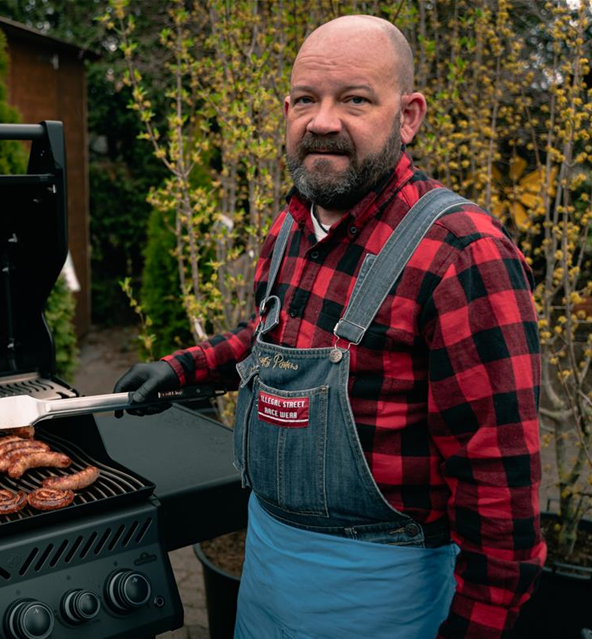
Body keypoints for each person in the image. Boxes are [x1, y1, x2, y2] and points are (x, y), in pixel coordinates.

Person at [114, 14, 545, 639]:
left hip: (384, 593)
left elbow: (499, 487)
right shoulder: (292, 228)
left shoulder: (462, 253)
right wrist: (185, 367)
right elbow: (275, 336)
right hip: (267, 568)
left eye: (355, 100)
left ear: (409, 115)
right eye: (306, 101)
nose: (322, 121)